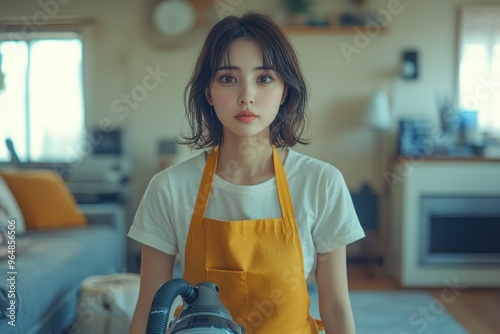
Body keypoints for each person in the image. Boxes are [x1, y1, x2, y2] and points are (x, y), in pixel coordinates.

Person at [128, 12, 364, 334]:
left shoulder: (321, 183)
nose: (246, 95)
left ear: (284, 92)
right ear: (208, 93)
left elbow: (336, 307)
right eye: (228, 78)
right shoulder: (169, 187)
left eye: (264, 77)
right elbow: (148, 313)